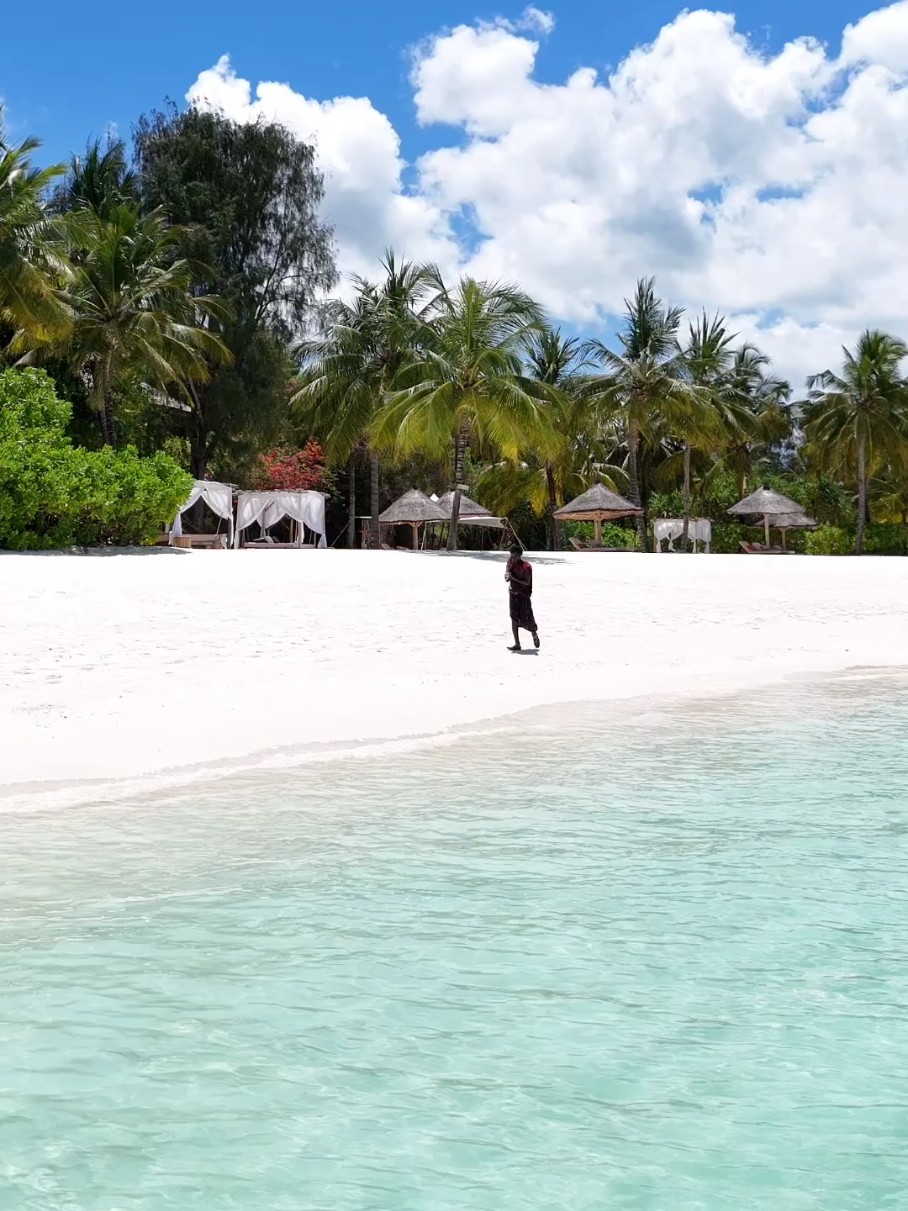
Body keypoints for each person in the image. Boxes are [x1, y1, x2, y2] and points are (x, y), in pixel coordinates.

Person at [504, 543, 540, 651]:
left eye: (515, 556)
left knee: (528, 617)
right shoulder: (511, 563)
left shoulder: (526, 567)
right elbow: (507, 575)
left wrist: (513, 578)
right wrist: (507, 573)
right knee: (513, 618)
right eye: (511, 556)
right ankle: (517, 643)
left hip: (523, 595)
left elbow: (526, 582)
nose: (513, 558)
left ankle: (534, 633)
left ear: (520, 555)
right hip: (513, 594)